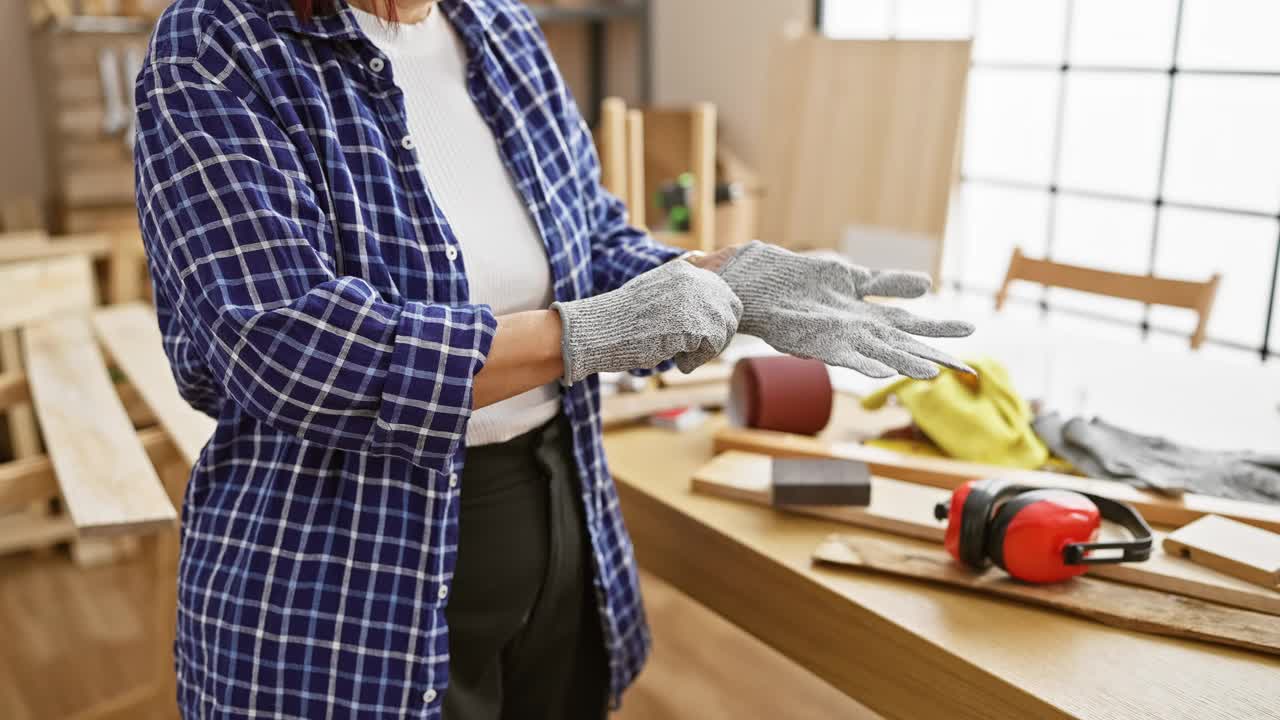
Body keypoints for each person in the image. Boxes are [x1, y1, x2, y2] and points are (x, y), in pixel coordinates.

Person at [132, 0, 973, 717]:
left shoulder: (498, 27)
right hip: (340, 564)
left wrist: (721, 281)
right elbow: (287, 346)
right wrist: (586, 333)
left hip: (554, 504)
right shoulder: (216, 45)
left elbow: (592, 238)